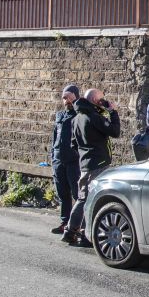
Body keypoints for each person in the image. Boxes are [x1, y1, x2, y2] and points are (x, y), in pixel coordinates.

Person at [64, 88, 121, 247]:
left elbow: (73, 144)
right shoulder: (94, 117)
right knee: (93, 199)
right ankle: (85, 235)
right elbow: (115, 131)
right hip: (99, 164)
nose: (104, 102)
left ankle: (70, 231)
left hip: (84, 164)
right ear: (96, 101)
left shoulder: (76, 118)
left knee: (82, 198)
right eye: (102, 100)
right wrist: (113, 112)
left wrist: (85, 155)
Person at [49, 84, 81, 235]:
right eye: (64, 98)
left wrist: (76, 103)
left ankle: (79, 226)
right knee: (62, 193)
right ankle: (64, 222)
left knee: (77, 194)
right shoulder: (59, 115)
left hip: (73, 160)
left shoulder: (79, 114)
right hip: (58, 159)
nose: (66, 100)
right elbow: (55, 136)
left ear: (75, 96)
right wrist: (52, 155)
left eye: (69, 97)